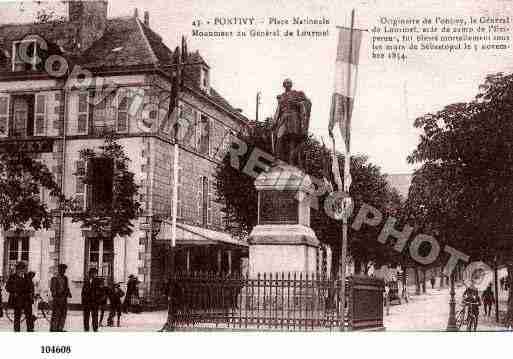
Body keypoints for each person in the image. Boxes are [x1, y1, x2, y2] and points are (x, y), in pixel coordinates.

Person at [272, 78, 311, 168]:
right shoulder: (281, 97)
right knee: (279, 137)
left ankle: (291, 161)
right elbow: (278, 110)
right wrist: (274, 122)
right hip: (283, 118)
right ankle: (278, 159)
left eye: (289, 83)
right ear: (283, 85)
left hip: (293, 119)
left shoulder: (296, 94)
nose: (287, 85)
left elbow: (306, 103)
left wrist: (298, 104)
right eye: (285, 83)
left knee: (292, 140)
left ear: (291, 84)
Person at [6, 262, 34, 332]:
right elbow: (7, 287)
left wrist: (31, 295)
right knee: (17, 317)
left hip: (27, 300)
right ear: (17, 269)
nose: (21, 270)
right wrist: (14, 291)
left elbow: (31, 287)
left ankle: (30, 330)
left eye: (23, 268)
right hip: (17, 300)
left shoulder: (27, 277)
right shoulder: (12, 277)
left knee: (29, 317)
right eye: (19, 268)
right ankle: (17, 331)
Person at [50, 264, 72, 332]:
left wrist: (69, 293)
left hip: (64, 300)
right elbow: (53, 289)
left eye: (64, 270)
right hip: (57, 300)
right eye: (62, 269)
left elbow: (67, 287)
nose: (63, 271)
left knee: (63, 314)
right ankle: (54, 329)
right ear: (59, 270)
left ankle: (60, 328)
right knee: (56, 315)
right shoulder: (55, 278)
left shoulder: (65, 278)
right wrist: (56, 297)